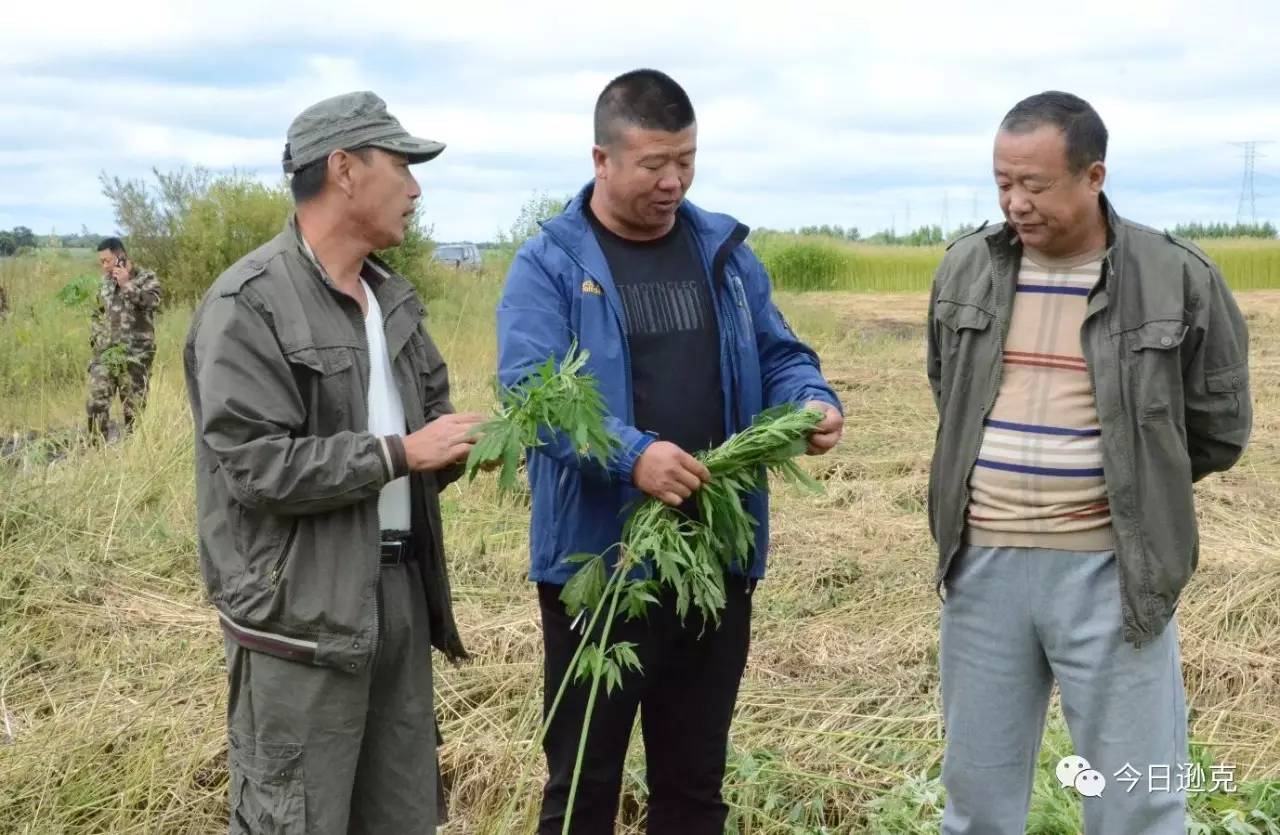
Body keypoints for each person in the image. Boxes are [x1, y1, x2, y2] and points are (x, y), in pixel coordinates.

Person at [497, 68, 844, 834]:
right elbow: (532, 394)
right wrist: (633, 457)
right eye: (654, 163)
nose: (674, 180)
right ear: (603, 160)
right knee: (583, 787)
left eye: (686, 159)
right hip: (601, 573)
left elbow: (780, 352)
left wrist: (811, 400)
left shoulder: (722, 250)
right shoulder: (551, 264)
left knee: (693, 788)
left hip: (713, 562)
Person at [926, 91, 1252, 834]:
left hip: (1114, 572)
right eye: (1003, 182)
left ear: (1093, 175)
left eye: (1034, 185)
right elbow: (951, 391)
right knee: (977, 800)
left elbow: (1218, 429)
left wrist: (1135, 487)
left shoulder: (1177, 277)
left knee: (1136, 801)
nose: (1016, 202)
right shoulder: (964, 269)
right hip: (983, 569)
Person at [183, 91, 484, 834]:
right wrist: (400, 453)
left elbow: (434, 420)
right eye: (402, 165)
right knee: (299, 817)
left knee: (403, 814)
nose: (416, 188)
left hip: (397, 598)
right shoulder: (248, 304)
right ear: (344, 169)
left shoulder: (394, 299)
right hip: (300, 623)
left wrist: (470, 445)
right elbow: (256, 467)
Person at [87, 237, 161, 438]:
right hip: (106, 355)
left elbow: (153, 303)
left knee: (134, 411)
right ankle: (97, 452)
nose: (104, 267)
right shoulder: (105, 283)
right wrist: (97, 339)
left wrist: (127, 284)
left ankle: (133, 454)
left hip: (136, 355)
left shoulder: (146, 277)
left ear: (120, 256)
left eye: (107, 261)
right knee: (96, 403)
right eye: (101, 262)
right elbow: (96, 312)